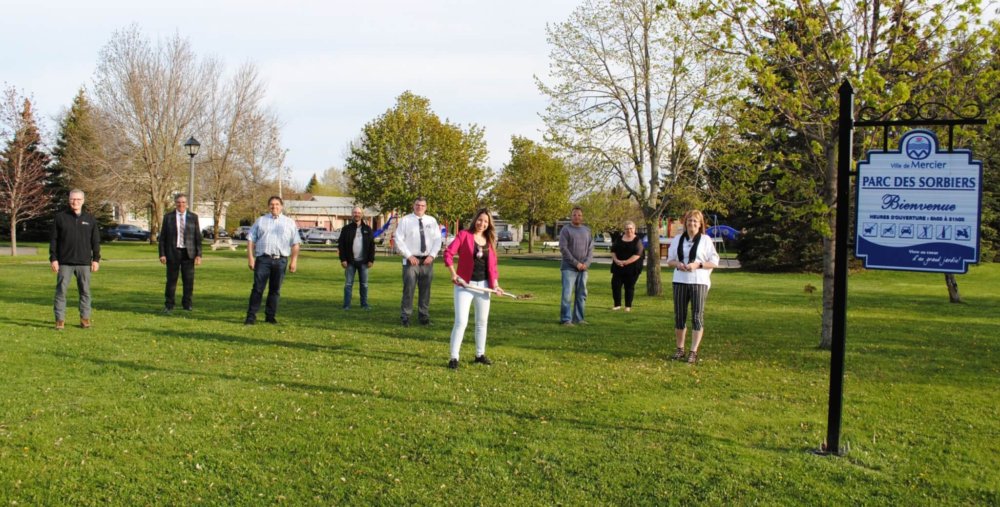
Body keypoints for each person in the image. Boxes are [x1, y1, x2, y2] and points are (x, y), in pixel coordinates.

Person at [443, 209, 504, 369]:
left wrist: (495, 285)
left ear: (489, 224)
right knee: (461, 322)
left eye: (485, 221)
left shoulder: (490, 240)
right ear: (475, 219)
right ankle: (454, 357)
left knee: (482, 322)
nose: (482, 224)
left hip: (483, 286)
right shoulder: (463, 235)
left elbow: (493, 266)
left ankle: (479, 355)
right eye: (480, 220)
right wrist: (454, 274)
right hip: (464, 285)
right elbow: (448, 254)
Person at [665, 209, 720, 364]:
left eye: (695, 221)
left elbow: (714, 262)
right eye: (689, 220)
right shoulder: (677, 239)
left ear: (700, 223)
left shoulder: (705, 240)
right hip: (680, 280)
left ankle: (693, 351)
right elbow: (670, 261)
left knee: (697, 316)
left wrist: (699, 264)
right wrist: (678, 264)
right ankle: (680, 349)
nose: (692, 223)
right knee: (679, 316)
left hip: (699, 281)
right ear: (685, 222)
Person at [244, 196, 301, 325]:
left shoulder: (289, 222)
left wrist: (294, 261)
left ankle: (270, 316)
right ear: (268, 206)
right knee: (258, 288)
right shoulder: (260, 221)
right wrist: (251, 258)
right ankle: (251, 317)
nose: (274, 207)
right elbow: (250, 240)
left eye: (277, 204)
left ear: (281, 206)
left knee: (275, 290)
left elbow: (296, 243)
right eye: (271, 204)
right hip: (263, 259)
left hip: (280, 260)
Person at [49, 189, 101, 330]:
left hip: (84, 263)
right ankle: (60, 320)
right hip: (64, 262)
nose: (75, 202)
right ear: (69, 200)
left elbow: (95, 241)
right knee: (61, 291)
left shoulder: (90, 219)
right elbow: (54, 240)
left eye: (78, 199)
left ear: (83, 201)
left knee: (85, 291)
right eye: (73, 199)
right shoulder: (60, 218)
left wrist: (96, 259)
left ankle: (85, 318)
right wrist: (53, 258)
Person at [394, 197, 441, 326]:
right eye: (417, 205)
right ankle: (405, 316)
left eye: (422, 205)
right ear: (413, 206)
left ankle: (424, 317)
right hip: (411, 261)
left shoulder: (432, 221)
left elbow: (437, 240)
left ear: (426, 207)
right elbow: (398, 239)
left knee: (425, 290)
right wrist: (408, 255)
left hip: (427, 260)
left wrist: (432, 256)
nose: (420, 207)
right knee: (409, 289)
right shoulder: (405, 220)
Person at [158, 193, 202, 313]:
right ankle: (169, 305)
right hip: (173, 252)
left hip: (189, 254)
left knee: (188, 280)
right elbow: (163, 238)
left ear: (186, 204)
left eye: (183, 202)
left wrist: (199, 254)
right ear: (175, 203)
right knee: (171, 281)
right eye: (178, 202)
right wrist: (162, 254)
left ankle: (187, 304)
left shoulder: (193, 217)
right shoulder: (168, 217)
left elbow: (197, 237)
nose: (181, 205)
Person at [559, 207, 593, 326]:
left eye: (579, 215)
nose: (577, 217)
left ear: (582, 217)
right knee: (567, 294)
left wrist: (586, 264)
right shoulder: (566, 230)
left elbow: (590, 249)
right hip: (569, 268)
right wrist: (576, 263)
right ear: (571, 216)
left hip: (583, 269)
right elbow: (564, 249)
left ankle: (579, 318)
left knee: (581, 294)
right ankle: (566, 319)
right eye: (574, 215)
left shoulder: (587, 231)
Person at [338, 205, 375, 310]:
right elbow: (341, 245)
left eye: (359, 213)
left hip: (364, 262)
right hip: (350, 262)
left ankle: (364, 304)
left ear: (362, 214)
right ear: (352, 214)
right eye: (355, 212)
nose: (357, 214)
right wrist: (343, 259)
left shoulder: (367, 229)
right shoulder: (346, 229)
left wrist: (371, 260)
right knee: (348, 284)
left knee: (364, 284)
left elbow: (372, 246)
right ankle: (346, 305)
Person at [610, 221, 644, 312]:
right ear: (624, 230)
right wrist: (616, 260)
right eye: (627, 228)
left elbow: (638, 254)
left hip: (632, 268)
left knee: (629, 287)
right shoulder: (619, 238)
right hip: (618, 267)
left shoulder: (637, 241)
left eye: (631, 228)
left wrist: (626, 262)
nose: (629, 230)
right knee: (615, 285)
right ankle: (617, 305)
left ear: (634, 229)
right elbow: (613, 251)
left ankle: (628, 306)